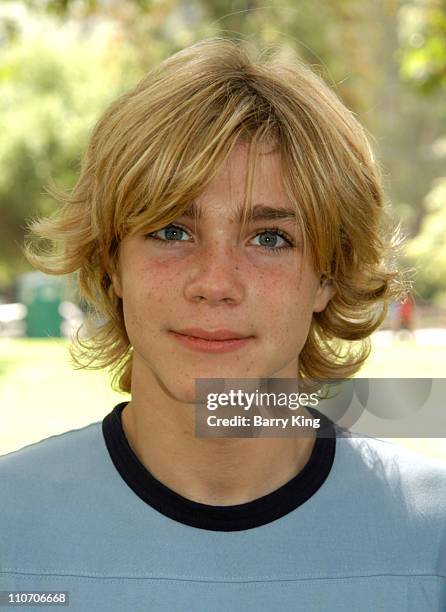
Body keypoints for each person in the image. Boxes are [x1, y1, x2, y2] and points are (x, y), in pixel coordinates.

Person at [1, 39, 445, 611]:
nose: (215, 282)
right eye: (171, 231)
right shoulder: (13, 526)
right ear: (112, 263)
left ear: (329, 276)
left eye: (269, 238)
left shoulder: (429, 540)